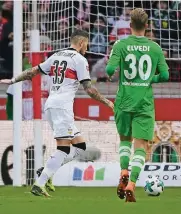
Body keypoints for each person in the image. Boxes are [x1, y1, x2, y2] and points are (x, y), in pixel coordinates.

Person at [0, 29, 114, 197]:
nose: (87, 47)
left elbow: (33, 71)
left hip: (51, 106)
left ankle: (45, 171)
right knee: (63, 150)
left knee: (79, 146)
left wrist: (13, 80)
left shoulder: (56, 56)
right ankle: (40, 183)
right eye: (87, 43)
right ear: (82, 42)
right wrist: (108, 102)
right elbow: (89, 89)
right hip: (62, 108)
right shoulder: (80, 60)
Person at [106, 8, 169, 202]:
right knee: (141, 145)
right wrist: (149, 78)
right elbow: (166, 76)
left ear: (130, 25)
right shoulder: (155, 48)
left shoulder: (121, 45)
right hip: (144, 103)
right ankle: (132, 183)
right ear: (147, 26)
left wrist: (122, 74)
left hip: (124, 102)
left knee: (125, 141)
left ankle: (124, 171)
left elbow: (109, 70)